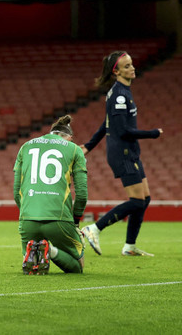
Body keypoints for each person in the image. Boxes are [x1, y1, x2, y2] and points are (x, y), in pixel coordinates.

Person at [80, 51, 163, 257]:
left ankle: (129, 247)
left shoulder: (123, 91)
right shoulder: (118, 94)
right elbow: (123, 130)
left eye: (132, 64)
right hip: (122, 152)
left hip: (130, 151)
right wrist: (152, 133)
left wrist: (89, 145)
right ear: (115, 71)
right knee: (136, 201)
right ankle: (94, 228)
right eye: (126, 66)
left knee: (145, 198)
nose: (132, 68)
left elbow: (106, 123)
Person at [13, 115, 88, 274]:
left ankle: (35, 250)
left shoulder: (25, 147)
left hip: (28, 221)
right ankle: (50, 250)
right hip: (59, 219)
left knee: (31, 252)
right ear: (70, 138)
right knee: (78, 265)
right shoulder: (74, 149)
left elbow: (16, 192)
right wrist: (75, 223)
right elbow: (81, 194)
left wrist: (27, 212)